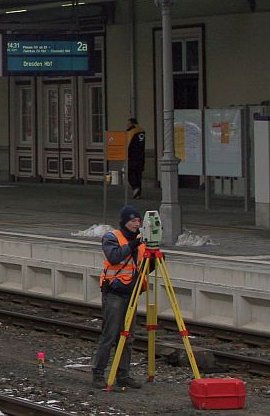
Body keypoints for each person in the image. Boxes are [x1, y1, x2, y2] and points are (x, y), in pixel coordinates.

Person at [92, 205, 146, 390]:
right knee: (110, 335)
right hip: (114, 293)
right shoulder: (112, 237)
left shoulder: (141, 242)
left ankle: (123, 374)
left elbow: (142, 267)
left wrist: (154, 257)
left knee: (128, 336)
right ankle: (98, 373)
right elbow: (114, 257)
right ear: (124, 222)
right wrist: (132, 245)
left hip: (131, 293)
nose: (136, 224)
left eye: (138, 221)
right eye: (132, 221)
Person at [126, 118, 146, 199]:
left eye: (128, 123)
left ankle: (135, 188)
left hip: (132, 156)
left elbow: (128, 144)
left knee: (131, 174)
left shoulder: (131, 132)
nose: (127, 125)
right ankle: (138, 194)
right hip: (141, 156)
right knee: (138, 175)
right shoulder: (142, 130)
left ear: (132, 124)